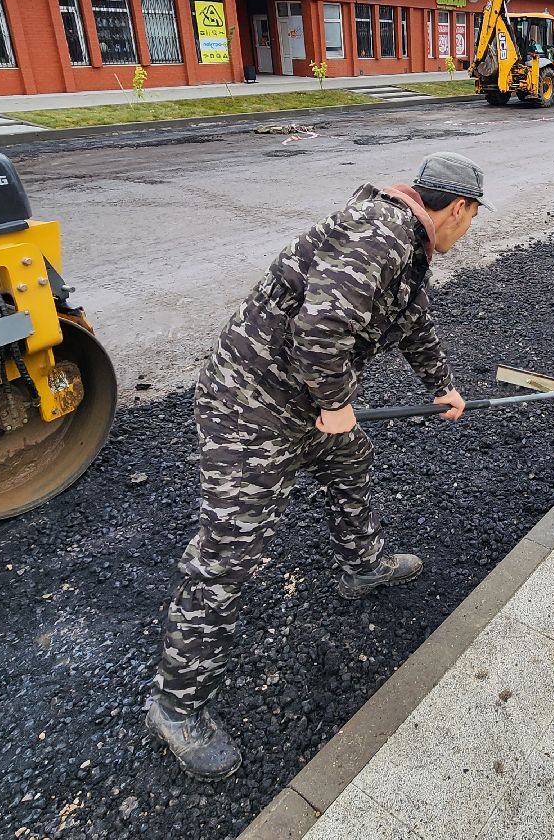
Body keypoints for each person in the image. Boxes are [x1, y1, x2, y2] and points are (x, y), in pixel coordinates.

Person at [146, 153, 485, 779]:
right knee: (229, 553)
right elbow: (320, 329)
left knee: (350, 460)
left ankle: (362, 564)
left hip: (301, 401)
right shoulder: (381, 234)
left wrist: (441, 386)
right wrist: (334, 403)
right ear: (459, 209)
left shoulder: (407, 244)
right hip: (249, 406)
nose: (467, 232)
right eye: (471, 220)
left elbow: (411, 320)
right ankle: (176, 705)